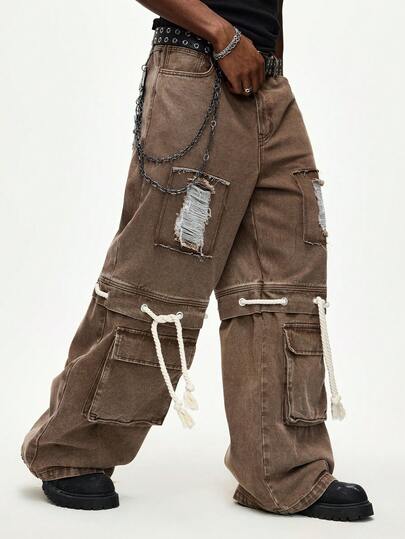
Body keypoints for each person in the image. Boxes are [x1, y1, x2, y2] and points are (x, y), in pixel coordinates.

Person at [22, 0, 374, 521]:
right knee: (158, 274)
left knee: (283, 282)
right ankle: (72, 451)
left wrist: (269, 59)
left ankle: (281, 471)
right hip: (197, 68)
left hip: (265, 81)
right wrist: (223, 37)